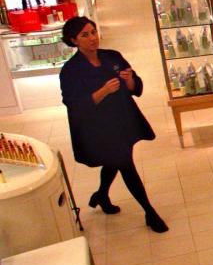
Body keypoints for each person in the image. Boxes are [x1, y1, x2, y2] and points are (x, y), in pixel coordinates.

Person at [59, 17, 168, 233]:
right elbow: (74, 103)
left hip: (123, 119)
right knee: (125, 164)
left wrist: (129, 80)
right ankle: (149, 212)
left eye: (93, 32)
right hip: (99, 127)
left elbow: (135, 87)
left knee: (116, 160)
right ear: (73, 40)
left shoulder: (112, 56)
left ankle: (101, 195)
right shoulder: (71, 70)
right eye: (85, 35)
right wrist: (103, 91)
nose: (93, 38)